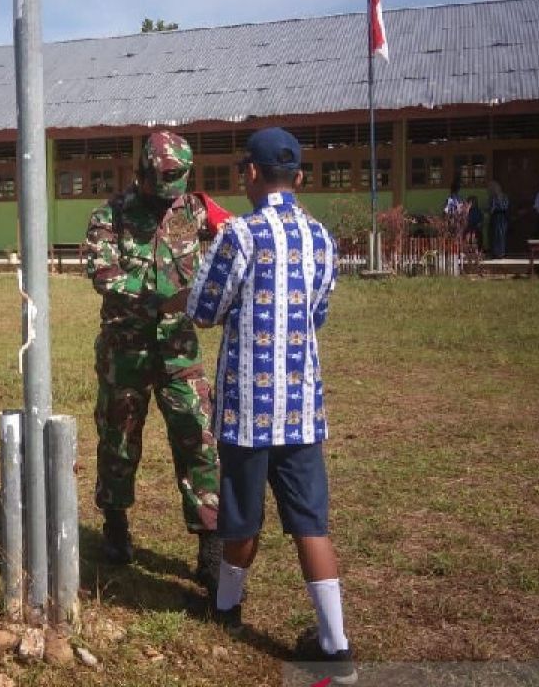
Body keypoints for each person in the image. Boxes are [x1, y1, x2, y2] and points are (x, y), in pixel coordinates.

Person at [166, 127, 355, 684]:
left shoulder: (240, 236)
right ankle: (335, 646)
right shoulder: (322, 238)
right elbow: (318, 313)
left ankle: (226, 610)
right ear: (296, 177)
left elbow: (202, 308)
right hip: (301, 407)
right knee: (310, 524)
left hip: (247, 410)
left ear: (250, 173)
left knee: (241, 516)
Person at [83, 129, 230, 595]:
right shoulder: (110, 215)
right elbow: (102, 274)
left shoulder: (196, 208)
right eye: (159, 186)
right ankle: (116, 523)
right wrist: (163, 299)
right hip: (125, 352)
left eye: (176, 188)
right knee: (120, 441)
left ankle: (209, 545)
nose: (168, 199)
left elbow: (238, 236)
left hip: (179, 350)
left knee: (199, 438)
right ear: (141, 172)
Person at [487, 180, 510, 257]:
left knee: (501, 235)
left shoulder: (504, 197)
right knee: (494, 235)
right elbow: (491, 209)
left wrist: (498, 204)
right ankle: (495, 253)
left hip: (502, 218)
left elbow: (505, 207)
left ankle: (502, 253)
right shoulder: (492, 198)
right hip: (494, 217)